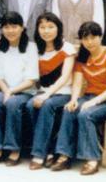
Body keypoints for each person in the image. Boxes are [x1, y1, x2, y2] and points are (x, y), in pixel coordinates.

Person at [51, 21, 106, 175]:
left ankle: (92, 160)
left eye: (93, 37)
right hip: (88, 97)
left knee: (85, 114)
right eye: (85, 38)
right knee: (69, 109)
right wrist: (74, 100)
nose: (89, 42)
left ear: (100, 37)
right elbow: (77, 83)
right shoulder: (82, 58)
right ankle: (64, 155)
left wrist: (94, 102)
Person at [25, 13, 77, 170]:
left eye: (50, 27)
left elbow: (65, 77)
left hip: (64, 92)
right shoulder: (36, 49)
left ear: (58, 28)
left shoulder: (67, 48)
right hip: (43, 92)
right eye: (42, 27)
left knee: (47, 105)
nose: (46, 31)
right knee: (30, 105)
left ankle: (39, 154)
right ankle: (49, 150)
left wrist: (46, 95)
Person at [0, 12, 39, 166]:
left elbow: (31, 80)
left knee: (13, 103)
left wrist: (11, 92)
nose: (10, 31)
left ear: (22, 28)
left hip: (25, 92)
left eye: (14, 26)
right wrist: (6, 91)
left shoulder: (31, 47)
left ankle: (13, 149)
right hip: (5, 90)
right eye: (6, 27)